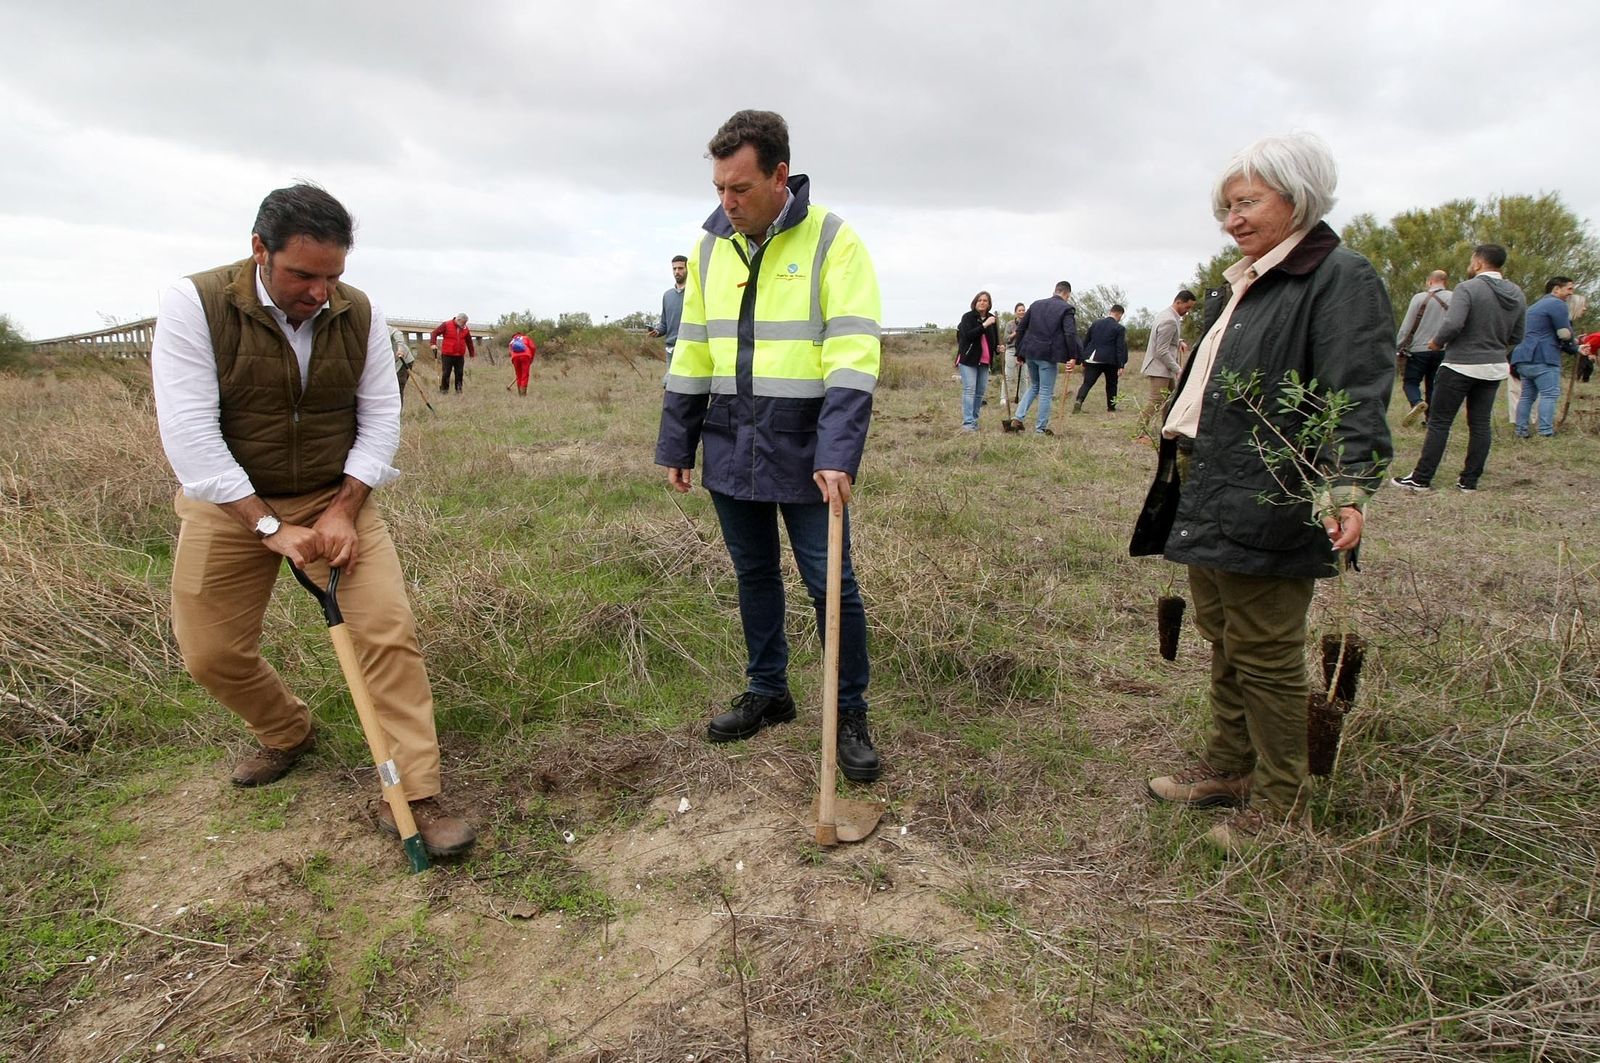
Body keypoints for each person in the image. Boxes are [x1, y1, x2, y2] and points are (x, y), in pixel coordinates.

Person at [150, 183, 475, 858]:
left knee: (386, 633)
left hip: (334, 498)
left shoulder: (360, 313)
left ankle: (413, 793)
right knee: (211, 654)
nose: (320, 292)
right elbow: (189, 434)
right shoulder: (194, 304)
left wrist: (343, 510)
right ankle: (287, 731)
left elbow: (381, 419)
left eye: (333, 276)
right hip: (230, 503)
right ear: (259, 249)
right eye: (303, 274)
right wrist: (269, 527)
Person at [1130, 134, 1394, 851]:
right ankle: (1230, 766)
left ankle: (1280, 804)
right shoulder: (1244, 281)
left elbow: (1355, 390)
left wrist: (1345, 487)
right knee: (1223, 633)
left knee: (1267, 648)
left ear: (1298, 197)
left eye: (1247, 202)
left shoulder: (1338, 277)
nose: (1233, 219)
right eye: (1226, 207)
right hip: (1208, 480)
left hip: (1271, 489)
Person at [656, 109, 883, 782]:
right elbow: (693, 351)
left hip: (808, 449)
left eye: (740, 188)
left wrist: (837, 453)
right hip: (730, 441)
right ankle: (768, 690)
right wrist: (679, 442)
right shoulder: (708, 249)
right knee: (752, 574)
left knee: (830, 583)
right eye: (719, 189)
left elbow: (852, 356)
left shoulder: (834, 242)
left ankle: (847, 713)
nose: (727, 203)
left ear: (780, 176)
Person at [1390, 245, 1526, 494]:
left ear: (1478, 263)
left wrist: (1436, 342)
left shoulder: (1468, 287)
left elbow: (1453, 323)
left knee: (1440, 422)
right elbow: (1518, 334)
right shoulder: (1516, 292)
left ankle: (1421, 478)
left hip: (1460, 364)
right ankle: (1469, 481)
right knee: (1480, 424)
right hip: (1494, 366)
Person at [1510, 277, 1578, 438]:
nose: (1571, 293)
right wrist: (1574, 348)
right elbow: (1564, 333)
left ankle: (1521, 430)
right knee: (1549, 394)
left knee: (1527, 396)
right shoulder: (1557, 304)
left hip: (1523, 356)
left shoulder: (1535, 306)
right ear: (1556, 289)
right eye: (1569, 289)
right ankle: (1545, 432)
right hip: (1543, 356)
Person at [1010, 281, 1081, 435]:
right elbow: (1070, 333)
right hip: (1048, 355)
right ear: (1067, 294)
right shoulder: (1066, 308)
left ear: (1055, 291)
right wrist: (1073, 356)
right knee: (1045, 391)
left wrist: (1019, 352)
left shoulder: (1036, 304)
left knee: (1035, 386)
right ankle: (1040, 429)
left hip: (1030, 353)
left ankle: (1017, 418)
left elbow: (1021, 328)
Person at [1395, 270, 1452, 424]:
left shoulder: (1419, 298)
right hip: (1442, 349)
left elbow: (1407, 326)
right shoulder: (1453, 297)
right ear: (1445, 282)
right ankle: (1431, 419)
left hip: (1418, 349)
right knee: (1433, 385)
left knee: (1410, 382)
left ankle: (1416, 402)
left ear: (1429, 281)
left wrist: (1398, 345)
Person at [1141, 291, 1196, 407]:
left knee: (1170, 400)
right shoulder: (1169, 320)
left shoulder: (1166, 314)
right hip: (1159, 368)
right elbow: (1161, 350)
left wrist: (1179, 341)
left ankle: (1167, 420)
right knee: (1156, 400)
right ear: (1178, 302)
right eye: (1187, 307)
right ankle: (1142, 421)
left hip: (1165, 368)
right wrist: (1178, 370)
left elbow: (1163, 336)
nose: (1188, 311)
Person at [955, 291, 1000, 431]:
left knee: (980, 392)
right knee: (969, 390)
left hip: (985, 360)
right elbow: (968, 336)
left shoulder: (992, 319)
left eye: (985, 300)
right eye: (979, 300)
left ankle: (974, 421)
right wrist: (984, 325)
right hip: (968, 359)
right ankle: (968, 423)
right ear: (975, 303)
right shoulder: (968, 317)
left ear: (989, 304)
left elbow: (994, 340)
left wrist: (999, 348)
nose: (982, 302)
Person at [1073, 304, 1129, 413]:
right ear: (1119, 314)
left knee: (1087, 382)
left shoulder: (1096, 323)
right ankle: (1111, 408)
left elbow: (1086, 341)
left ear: (1110, 311)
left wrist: (1083, 358)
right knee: (1111, 384)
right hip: (1110, 360)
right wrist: (1121, 365)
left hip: (1093, 357)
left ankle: (1079, 400)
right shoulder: (1119, 328)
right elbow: (1120, 347)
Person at [647, 254, 688, 372]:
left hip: (688, 349)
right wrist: (657, 331)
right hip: (671, 350)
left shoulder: (695, 293)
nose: (677, 272)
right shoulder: (667, 295)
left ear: (688, 269)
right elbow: (664, 324)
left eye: (680, 268)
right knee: (669, 381)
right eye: (674, 269)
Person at [430, 313, 476, 393]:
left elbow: (469, 342)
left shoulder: (465, 329)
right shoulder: (446, 324)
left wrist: (472, 354)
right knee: (446, 373)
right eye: (463, 322)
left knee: (459, 373)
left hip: (460, 355)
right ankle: (444, 390)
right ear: (458, 320)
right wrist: (433, 344)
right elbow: (434, 333)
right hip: (447, 355)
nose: (464, 324)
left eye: (465, 323)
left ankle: (458, 390)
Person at [507, 331, 537, 396]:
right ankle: (523, 394)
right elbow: (533, 347)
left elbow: (509, 353)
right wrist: (532, 357)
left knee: (518, 375)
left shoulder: (512, 342)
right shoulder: (526, 338)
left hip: (515, 358)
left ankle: (520, 394)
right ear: (521, 334)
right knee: (524, 375)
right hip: (526, 357)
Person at [390, 327, 416, 395]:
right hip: (391, 362)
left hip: (403, 360)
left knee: (398, 386)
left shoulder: (381, 328)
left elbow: (397, 332)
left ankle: (399, 402)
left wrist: (400, 349)